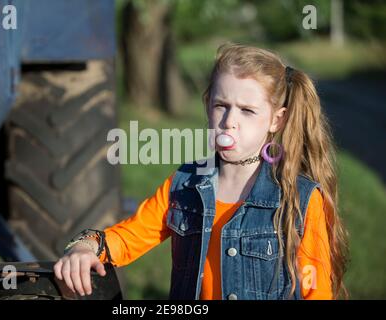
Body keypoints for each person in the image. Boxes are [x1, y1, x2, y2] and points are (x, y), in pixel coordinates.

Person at [54, 43, 349, 300]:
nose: (229, 121)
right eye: (222, 105)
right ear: (208, 105)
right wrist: (84, 246)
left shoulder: (300, 199)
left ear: (277, 120)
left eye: (247, 110)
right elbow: (128, 236)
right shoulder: (184, 185)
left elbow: (317, 291)